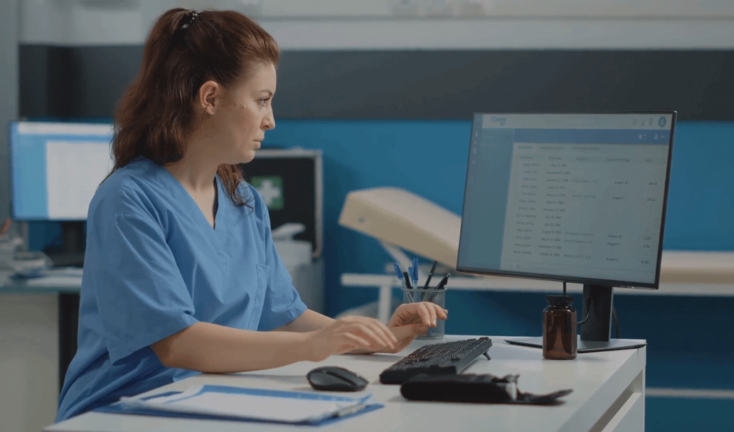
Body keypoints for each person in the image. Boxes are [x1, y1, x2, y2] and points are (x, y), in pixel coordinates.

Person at [55, 8, 447, 422]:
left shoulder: (242, 200)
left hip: (206, 399)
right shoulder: (128, 199)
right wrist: (321, 345)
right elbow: (175, 344)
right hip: (118, 414)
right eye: (261, 100)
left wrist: (374, 338)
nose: (271, 120)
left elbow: (281, 318)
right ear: (210, 98)